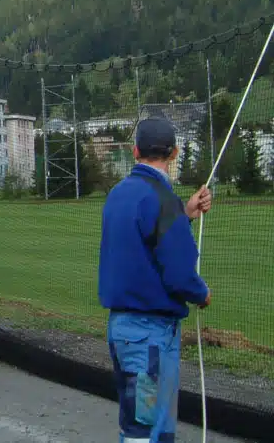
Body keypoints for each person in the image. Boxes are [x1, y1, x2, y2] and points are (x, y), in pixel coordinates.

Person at [99, 117, 213, 443]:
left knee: (141, 423)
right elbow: (179, 275)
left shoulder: (118, 195)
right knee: (148, 429)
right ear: (174, 153)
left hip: (120, 329)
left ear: (135, 151)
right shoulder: (162, 200)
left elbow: (142, 242)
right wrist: (201, 293)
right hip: (151, 337)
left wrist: (184, 213)